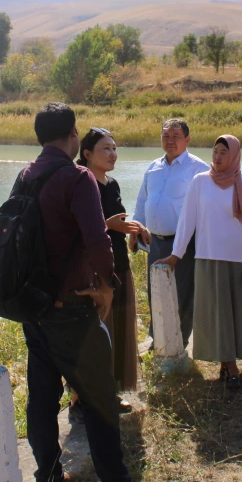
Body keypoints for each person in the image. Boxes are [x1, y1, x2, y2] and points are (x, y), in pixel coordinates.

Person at [20, 103, 168, 482]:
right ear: (71, 136)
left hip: (36, 308)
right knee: (102, 398)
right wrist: (106, 288)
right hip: (74, 306)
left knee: (42, 400)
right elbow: (98, 241)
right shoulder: (77, 176)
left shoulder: (27, 175)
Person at [156, 135, 242, 388]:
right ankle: (228, 364)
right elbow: (187, 221)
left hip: (237, 260)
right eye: (215, 151)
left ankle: (230, 364)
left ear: (234, 155)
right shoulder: (200, 182)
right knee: (215, 314)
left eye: (224, 152)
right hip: (207, 258)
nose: (217, 156)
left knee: (233, 314)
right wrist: (176, 253)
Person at [76, 127, 142, 409]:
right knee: (94, 334)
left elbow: (119, 218)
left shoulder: (111, 184)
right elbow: (77, 229)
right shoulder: (80, 183)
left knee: (116, 331)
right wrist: (109, 225)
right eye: (106, 148)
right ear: (87, 154)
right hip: (93, 270)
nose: (113, 154)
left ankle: (108, 393)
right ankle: (82, 399)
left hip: (118, 266)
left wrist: (137, 229)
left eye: (115, 148)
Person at [132, 118, 210, 346]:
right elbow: (142, 200)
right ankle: (157, 341)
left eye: (176, 136)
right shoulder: (154, 167)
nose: (170, 141)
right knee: (155, 291)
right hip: (154, 241)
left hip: (183, 243)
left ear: (187, 139)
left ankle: (179, 344)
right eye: (166, 136)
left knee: (182, 293)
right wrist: (136, 227)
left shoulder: (199, 169)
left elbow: (206, 209)